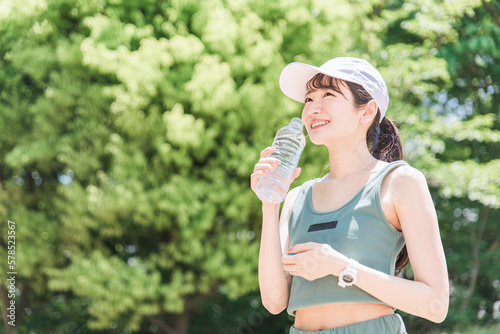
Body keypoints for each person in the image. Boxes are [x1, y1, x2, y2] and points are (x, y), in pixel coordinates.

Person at [250, 57, 449, 334]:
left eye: (329, 94)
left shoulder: (400, 182)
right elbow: (274, 301)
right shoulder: (296, 197)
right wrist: (269, 205)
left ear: (367, 111)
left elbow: (436, 305)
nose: (312, 108)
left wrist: (341, 267)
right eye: (308, 99)